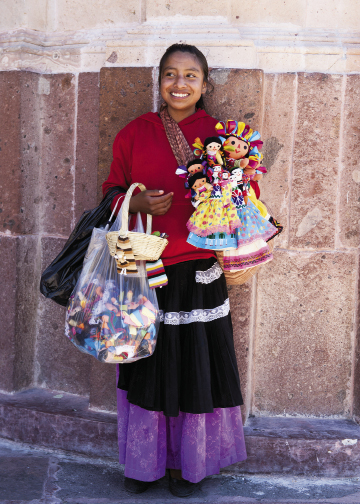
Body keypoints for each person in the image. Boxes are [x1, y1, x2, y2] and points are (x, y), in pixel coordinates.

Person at [102, 43, 247, 498]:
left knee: (195, 368)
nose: (179, 83)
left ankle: (190, 466)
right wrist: (135, 201)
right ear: (158, 81)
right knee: (148, 367)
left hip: (200, 271)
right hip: (144, 266)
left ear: (204, 85)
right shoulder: (133, 134)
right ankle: (144, 465)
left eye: (190, 75)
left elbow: (248, 194)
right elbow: (109, 194)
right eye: (170, 74)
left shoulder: (223, 136)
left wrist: (227, 195)